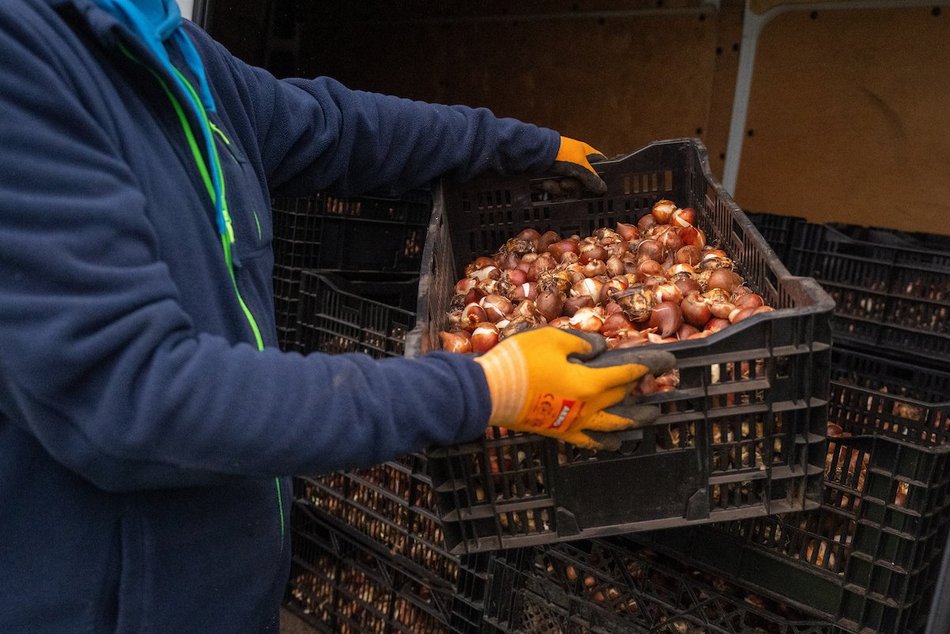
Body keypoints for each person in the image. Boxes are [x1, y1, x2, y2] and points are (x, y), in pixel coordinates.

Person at [0, 1, 673, 632]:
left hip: (222, 596)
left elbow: (337, 127)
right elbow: (139, 393)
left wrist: (519, 145)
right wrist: (484, 388)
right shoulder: (23, 55)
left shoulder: (171, 48)